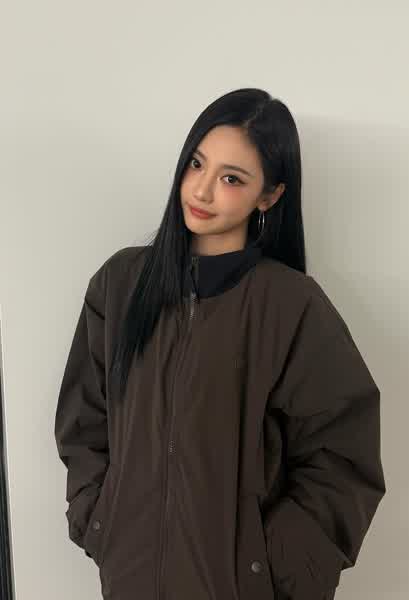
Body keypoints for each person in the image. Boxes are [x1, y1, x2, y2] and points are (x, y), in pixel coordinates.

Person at [54, 88, 386, 600]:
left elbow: (341, 457)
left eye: (232, 178)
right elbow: (84, 421)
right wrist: (99, 518)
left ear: (269, 195)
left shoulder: (292, 306)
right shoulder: (119, 286)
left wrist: (277, 566)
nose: (202, 190)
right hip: (130, 579)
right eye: (196, 164)